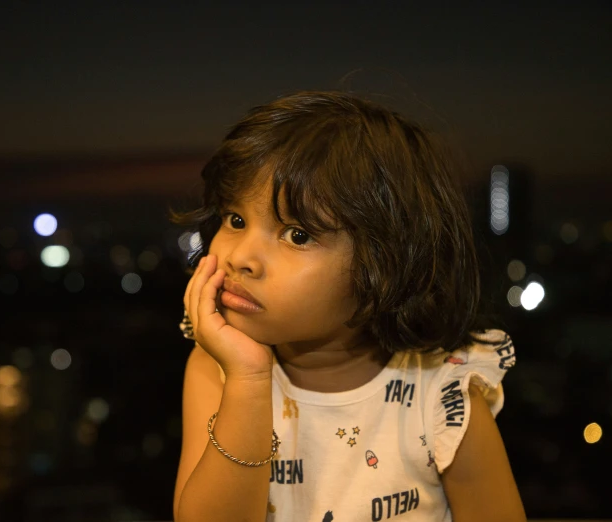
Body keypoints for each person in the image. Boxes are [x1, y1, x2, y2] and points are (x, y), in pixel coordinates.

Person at [168, 91, 526, 522]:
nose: (240, 256)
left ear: (385, 263)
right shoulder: (216, 371)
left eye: (297, 235)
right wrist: (248, 379)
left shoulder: (442, 391)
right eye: (236, 219)